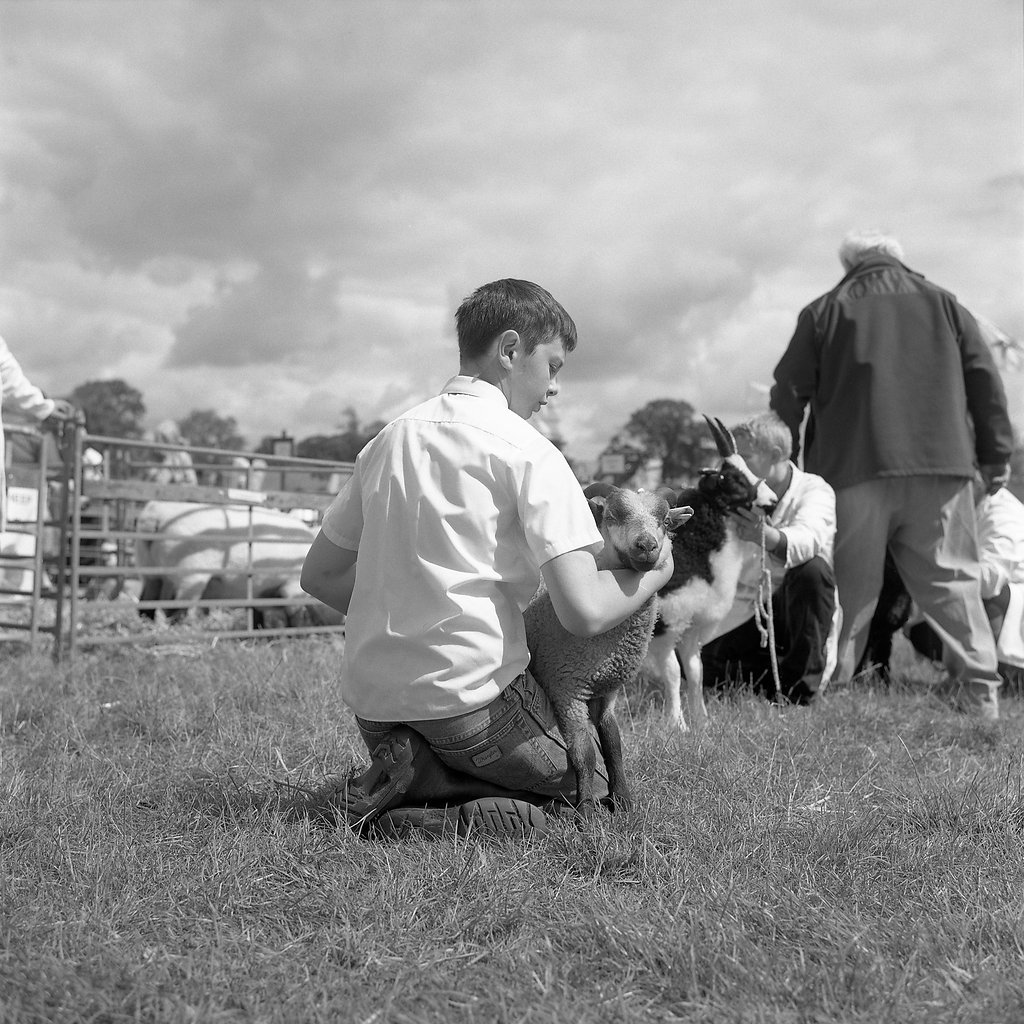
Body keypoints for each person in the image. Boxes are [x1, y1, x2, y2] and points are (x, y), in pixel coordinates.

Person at [299, 279, 674, 840]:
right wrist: (661, 572)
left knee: (524, 750)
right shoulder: (530, 453)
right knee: (586, 784)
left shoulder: (387, 441)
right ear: (509, 350)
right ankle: (439, 799)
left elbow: (320, 574)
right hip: (472, 706)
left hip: (375, 709)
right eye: (552, 366)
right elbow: (584, 613)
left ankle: (410, 767)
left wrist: (405, 613)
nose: (555, 389)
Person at [770, 229, 1014, 720]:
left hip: (855, 468)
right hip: (942, 469)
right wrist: (996, 456)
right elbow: (986, 380)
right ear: (898, 260)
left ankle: (836, 690)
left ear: (850, 264)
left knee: (851, 588)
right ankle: (982, 695)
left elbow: (788, 389)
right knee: (953, 584)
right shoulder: (946, 303)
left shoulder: (824, 310)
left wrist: (789, 459)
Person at [699, 412, 839, 706]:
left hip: (793, 617)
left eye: (745, 457)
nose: (735, 466)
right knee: (697, 667)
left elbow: (808, 540)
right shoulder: (732, 492)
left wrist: (763, 534)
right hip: (744, 615)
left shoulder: (815, 489)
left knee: (813, 571)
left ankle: (799, 694)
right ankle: (760, 682)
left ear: (775, 455)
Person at [904, 477, 1024, 689]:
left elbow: (990, 579)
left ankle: (1000, 677)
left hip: (1010, 622)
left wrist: (937, 569)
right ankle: (976, 676)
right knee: (923, 630)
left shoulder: (1003, 514)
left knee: (991, 600)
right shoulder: (959, 508)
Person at [0, 333, 76, 533]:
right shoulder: (40, 433)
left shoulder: (15, 421)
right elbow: (53, 468)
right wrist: (44, 407)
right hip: (27, 499)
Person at [145, 420, 197, 486]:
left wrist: (178, 482)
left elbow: (193, 482)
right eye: (158, 439)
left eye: (164, 440)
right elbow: (149, 480)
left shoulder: (183, 456)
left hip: (179, 493)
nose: (161, 443)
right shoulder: (154, 456)